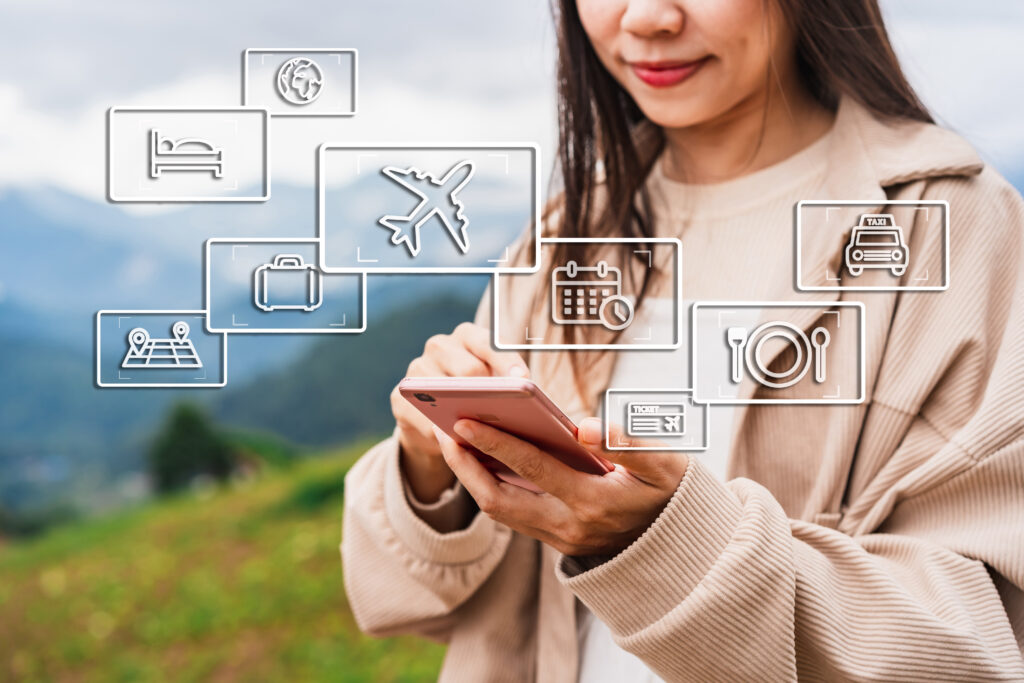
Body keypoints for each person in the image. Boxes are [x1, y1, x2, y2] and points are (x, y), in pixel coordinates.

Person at [342, 0, 1024, 680]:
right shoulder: (568, 234)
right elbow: (422, 608)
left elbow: (982, 638)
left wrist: (661, 544)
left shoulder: (950, 226)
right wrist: (430, 466)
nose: (645, 19)